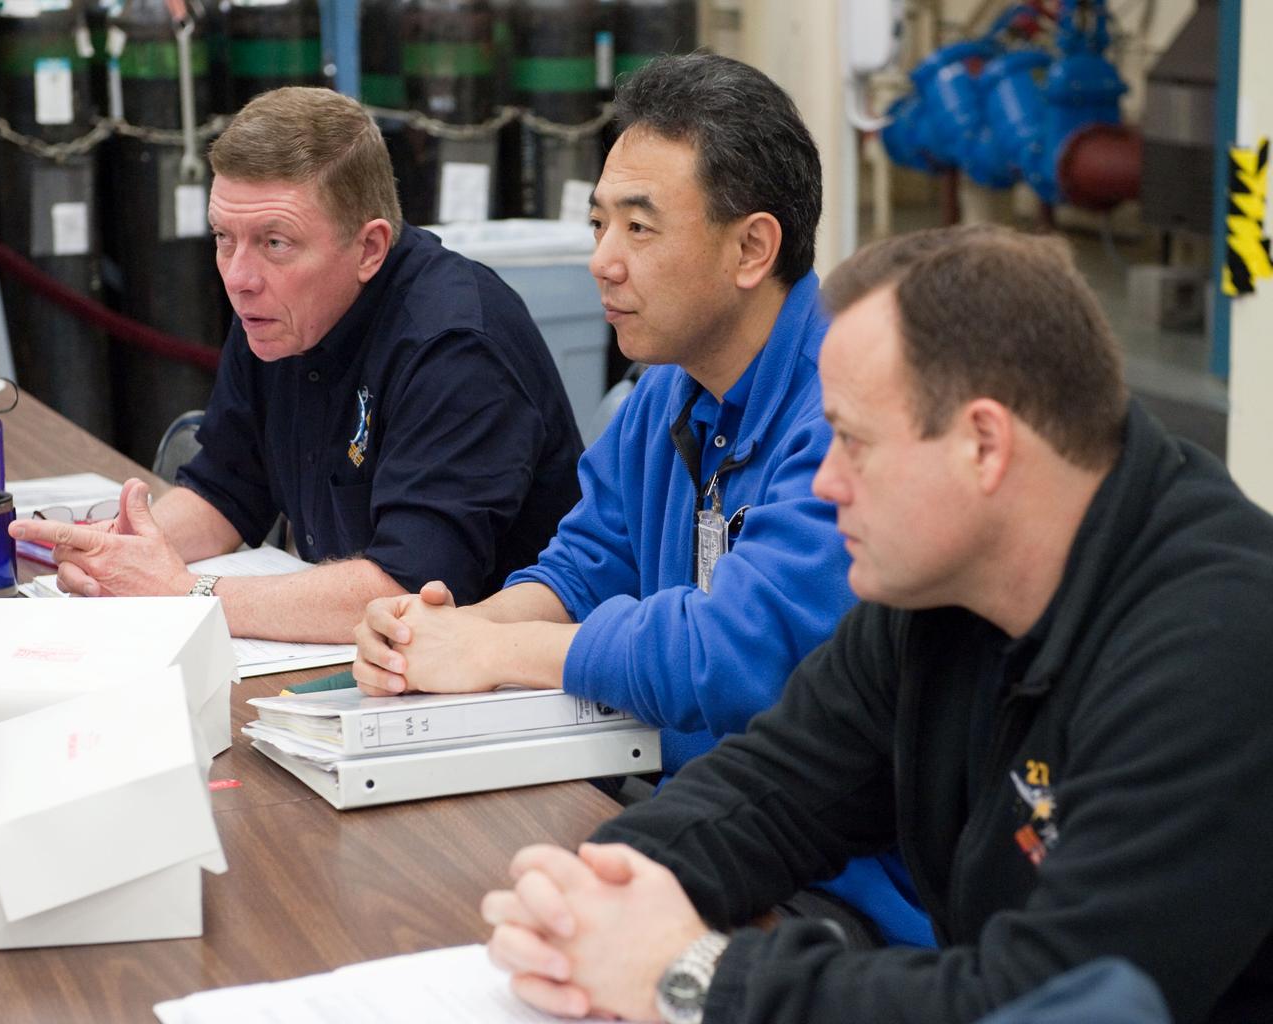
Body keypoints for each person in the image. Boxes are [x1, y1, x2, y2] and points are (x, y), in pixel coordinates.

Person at [478, 225, 1273, 1024]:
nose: (825, 481)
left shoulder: (1218, 652)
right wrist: (595, 891)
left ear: (984, 445)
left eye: (852, 442)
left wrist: (696, 978)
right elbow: (777, 789)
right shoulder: (936, 592)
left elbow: (1051, 998)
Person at [353, 53, 932, 947]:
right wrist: (439, 635)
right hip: (690, 826)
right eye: (596, 224)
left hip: (834, 889)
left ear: (753, 248)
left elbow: (736, 653)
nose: (602, 263)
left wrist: (498, 649)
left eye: (639, 229)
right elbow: (586, 565)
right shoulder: (668, 388)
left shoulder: (845, 407)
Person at [10, 87, 583, 642]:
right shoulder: (277, 312)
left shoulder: (455, 347)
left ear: (369, 249)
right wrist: (128, 553)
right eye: (223, 237)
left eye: (275, 242)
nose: (238, 278)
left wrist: (185, 591)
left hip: (495, 687)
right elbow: (227, 488)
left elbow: (409, 588)